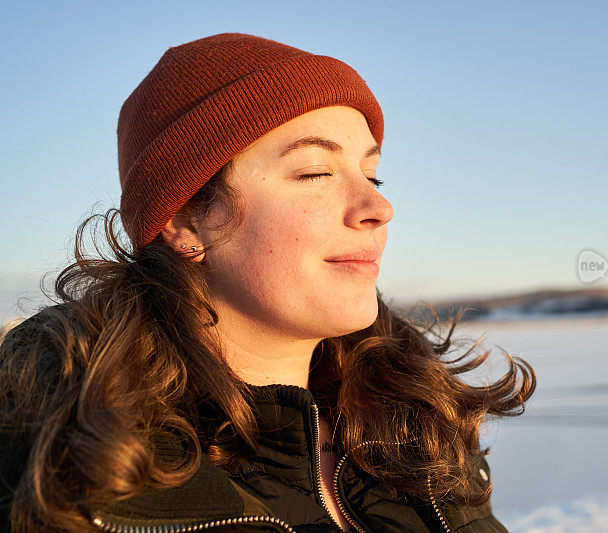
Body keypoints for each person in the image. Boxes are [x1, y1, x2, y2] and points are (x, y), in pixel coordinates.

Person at [0, 32, 536, 532]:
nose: (380, 206)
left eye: (372, 175)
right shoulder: (76, 468)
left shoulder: (415, 432)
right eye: (314, 173)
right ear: (184, 218)